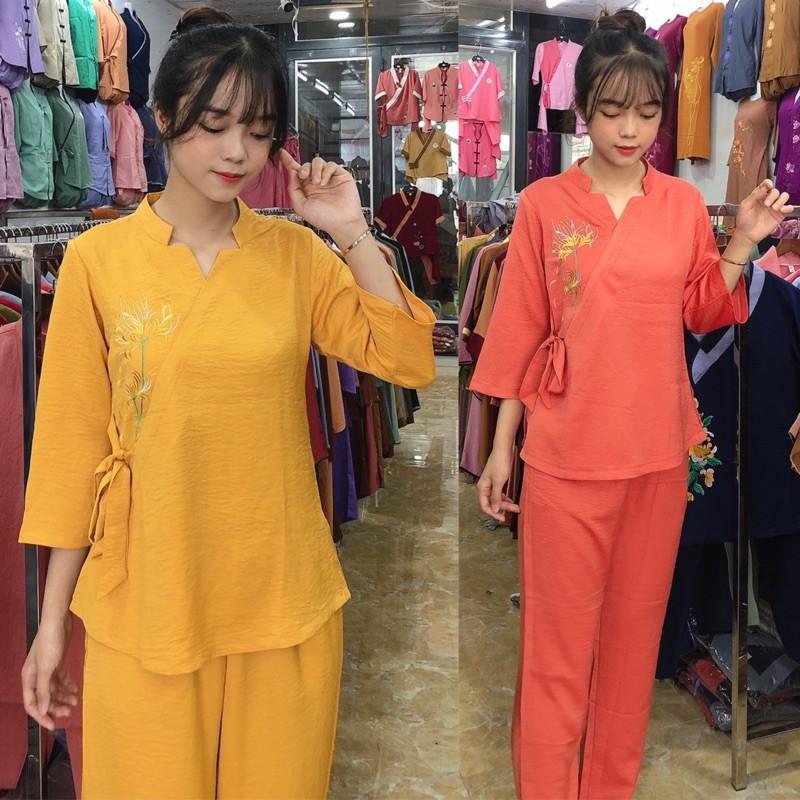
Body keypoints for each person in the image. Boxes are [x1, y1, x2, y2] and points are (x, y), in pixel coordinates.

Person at [18, 22, 436, 800]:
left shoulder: (297, 257)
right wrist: (50, 626)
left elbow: (408, 360)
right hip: (147, 596)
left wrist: (349, 232)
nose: (237, 151)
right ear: (164, 116)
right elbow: (70, 456)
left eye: (258, 130)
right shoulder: (97, 263)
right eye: (214, 125)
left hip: (280, 598)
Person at [470, 9, 794, 800]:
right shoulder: (544, 203)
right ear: (583, 107)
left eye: (647, 112)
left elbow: (704, 309)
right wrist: (502, 446)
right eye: (613, 110)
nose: (630, 129)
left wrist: (743, 241)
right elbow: (520, 331)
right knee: (555, 654)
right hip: (565, 457)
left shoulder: (679, 204)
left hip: (655, 456)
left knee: (630, 649)